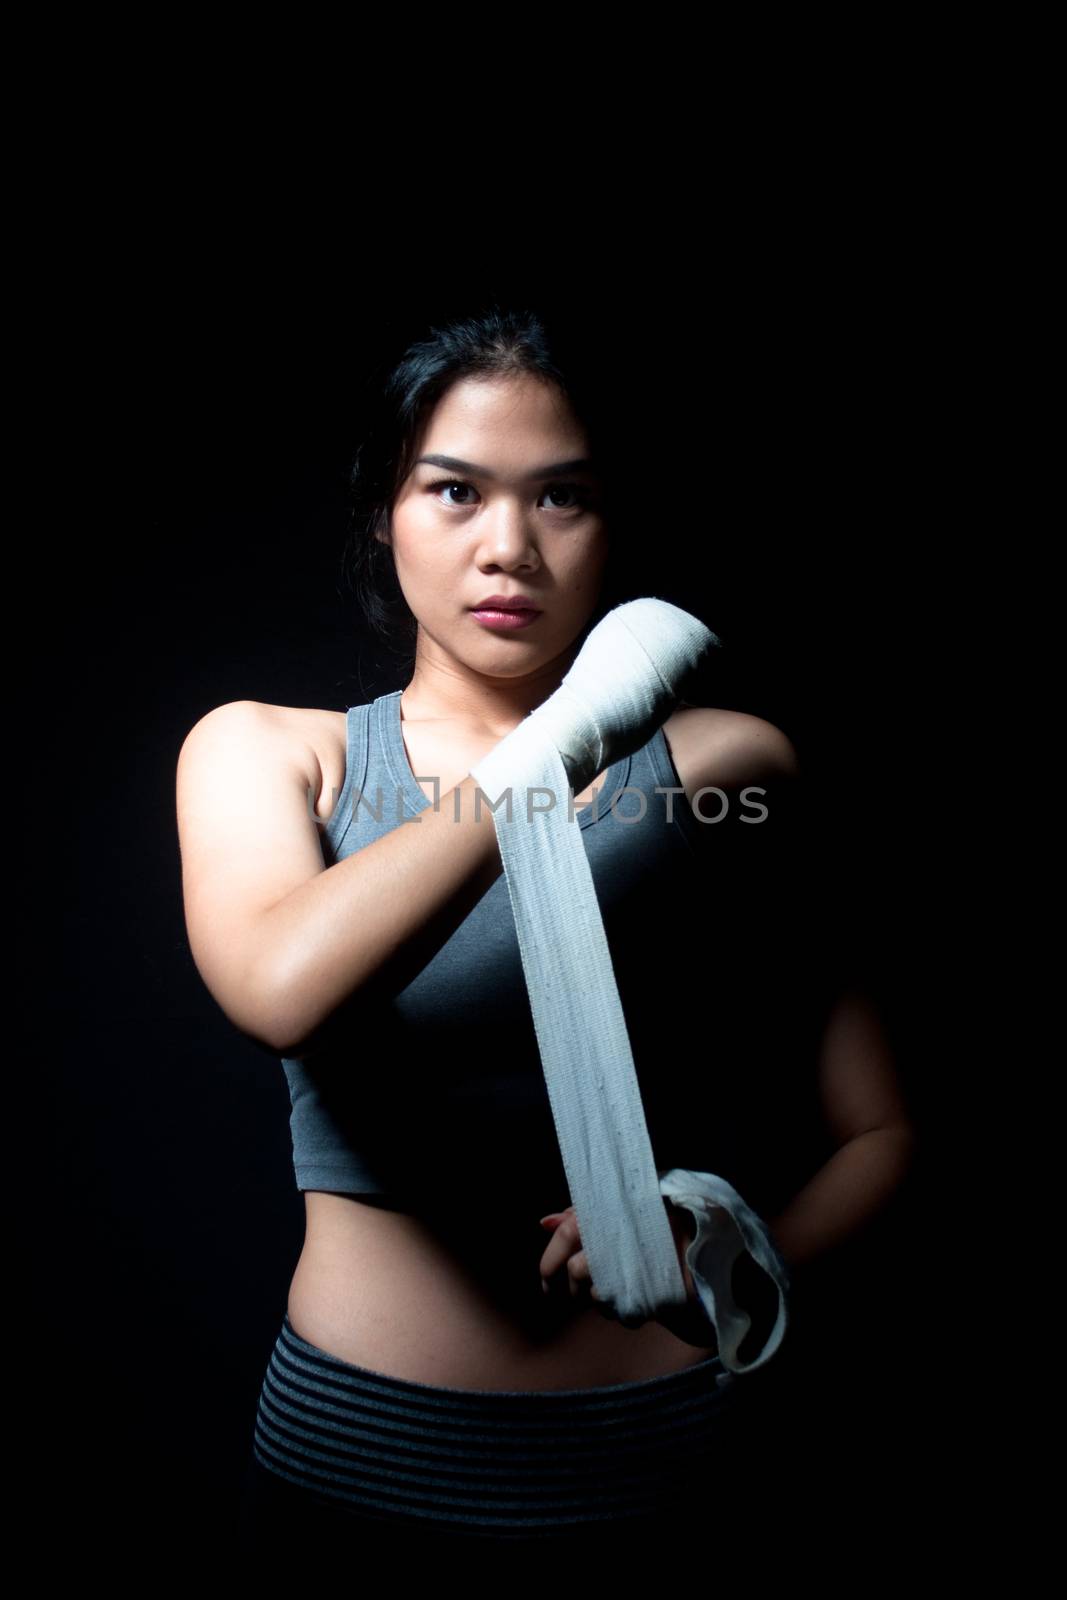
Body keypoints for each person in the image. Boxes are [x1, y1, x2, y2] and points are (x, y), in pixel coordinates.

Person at [176, 304, 917, 1563]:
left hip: (667, 1452)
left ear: (611, 518)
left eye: (560, 497)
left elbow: (884, 1132)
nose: (507, 546)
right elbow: (279, 987)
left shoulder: (723, 772)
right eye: (454, 491)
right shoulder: (268, 751)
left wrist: (736, 1249)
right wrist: (557, 743)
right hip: (352, 1454)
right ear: (382, 513)